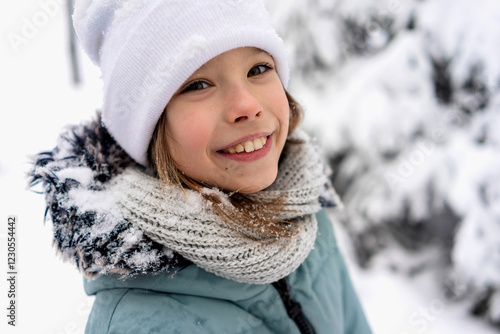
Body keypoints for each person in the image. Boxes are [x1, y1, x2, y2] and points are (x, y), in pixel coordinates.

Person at [30, 0, 372, 333]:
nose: (247, 105)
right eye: (198, 85)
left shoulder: (303, 208)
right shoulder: (142, 323)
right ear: (148, 130)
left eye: (258, 69)